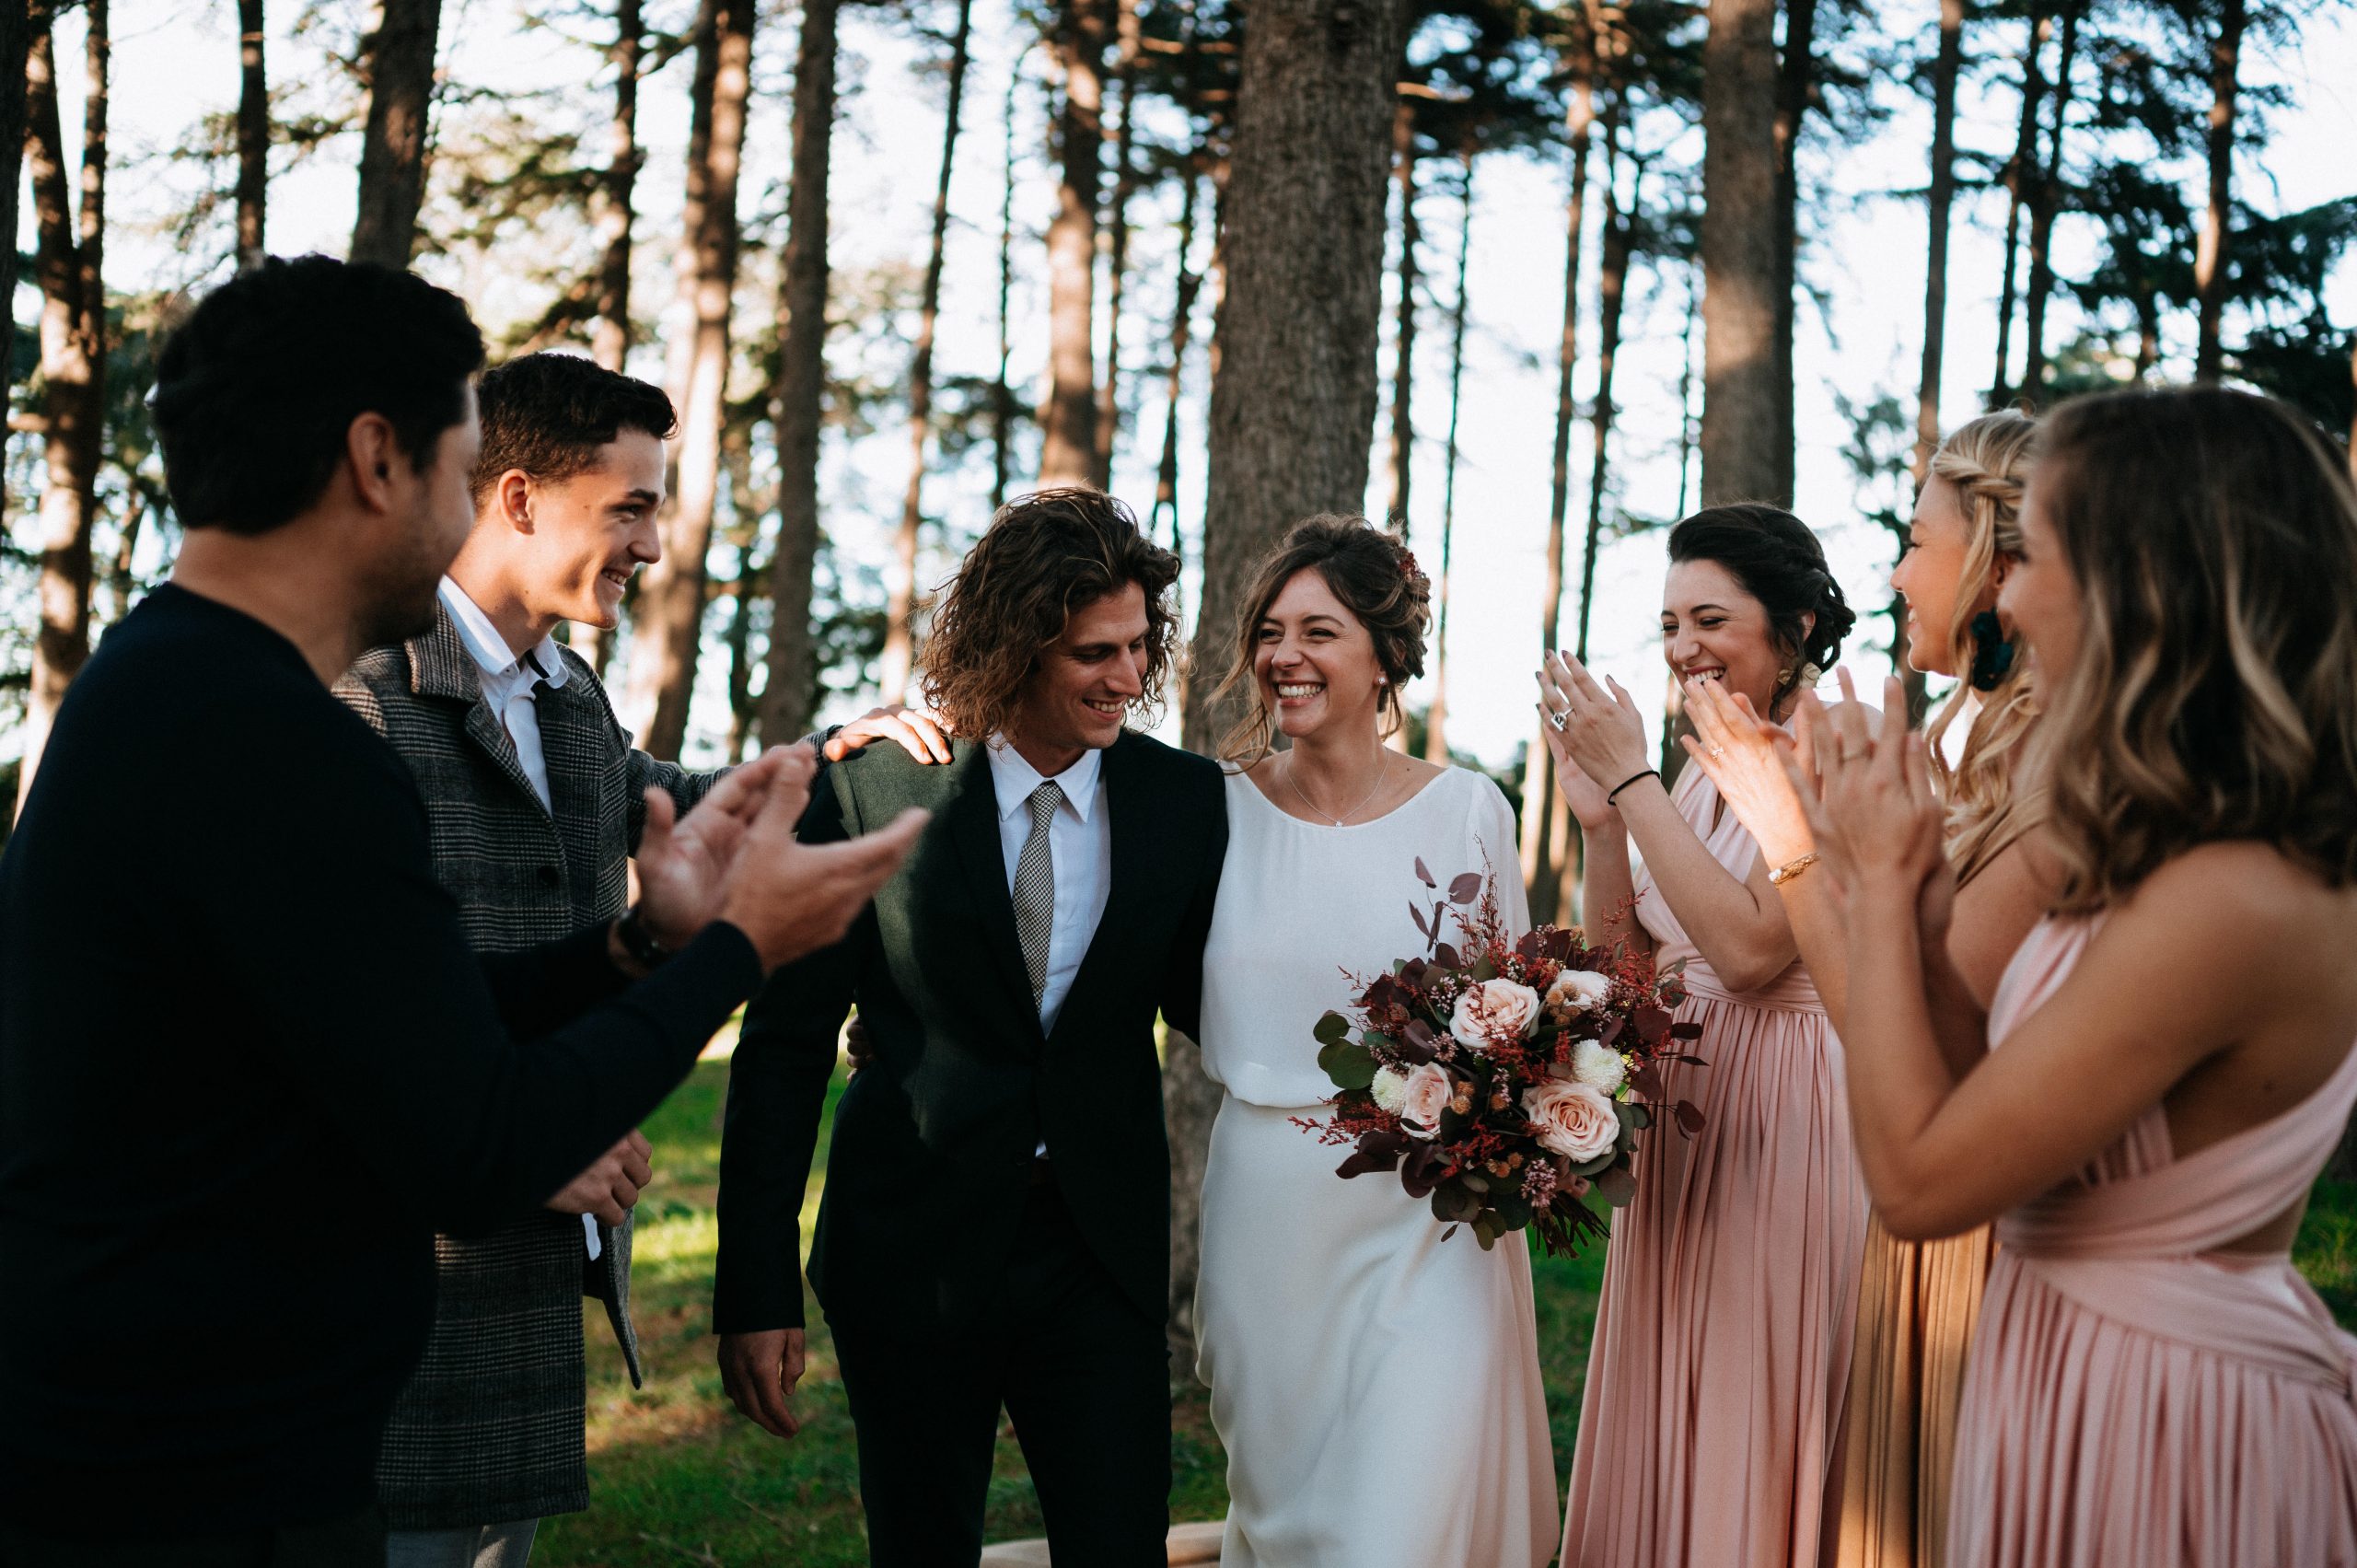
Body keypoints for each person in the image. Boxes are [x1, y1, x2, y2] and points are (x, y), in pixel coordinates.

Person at [0, 255, 923, 1567]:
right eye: (457, 460)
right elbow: (479, 1132)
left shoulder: (166, 683)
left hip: (185, 1450)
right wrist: (734, 951)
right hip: (196, 1486)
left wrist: (639, 941)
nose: (462, 511)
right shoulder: (283, 742)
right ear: (380, 458)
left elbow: (389, 1020)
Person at [335, 350, 935, 1568]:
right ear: (515, 497)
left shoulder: (563, 693)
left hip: (521, 1316)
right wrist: (505, 1141)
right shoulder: (360, 697)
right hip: (381, 1313)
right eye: (631, 506)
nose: (654, 545)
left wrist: (822, 755)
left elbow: (656, 799)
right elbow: (321, 1013)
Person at [1799, 386, 2357, 1568]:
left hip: (2169, 1413)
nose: (2003, 592)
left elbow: (1916, 1179)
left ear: (2139, 580)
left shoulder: (2233, 894)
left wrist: (1887, 884)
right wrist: (1899, 873)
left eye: (2032, 554)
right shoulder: (2161, 838)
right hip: (2067, 1355)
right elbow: (1968, 1067)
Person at [711, 489, 1226, 1568]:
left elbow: (1220, 1001)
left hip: (1097, 1249)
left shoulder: (1185, 801)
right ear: (1017, 643)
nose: (1129, 678)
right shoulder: (872, 785)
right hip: (909, 1243)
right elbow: (785, 1046)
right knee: (920, 1544)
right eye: (1096, 651)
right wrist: (753, 1287)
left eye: (1139, 646)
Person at [1679, 412, 2051, 1568]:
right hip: (1916, 1213)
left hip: (1985, 1207)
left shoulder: (2046, 756)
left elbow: (1904, 1015)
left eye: (1913, 538)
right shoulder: (1956, 728)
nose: (1890, 571)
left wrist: (1792, 833)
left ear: (1993, 557)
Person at [1190, 517, 1557, 1567]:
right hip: (1266, 1215)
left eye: (1317, 630)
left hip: (1426, 1214)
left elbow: (1515, 1016)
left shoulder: (1467, 811)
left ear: (1384, 655)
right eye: (1269, 631)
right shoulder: (1212, 812)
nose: (1282, 656)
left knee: (1399, 1519)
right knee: (1288, 1516)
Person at [1542, 505, 1868, 1568]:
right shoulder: (1697, 764)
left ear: (1797, 624)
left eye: (1711, 619)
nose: (1683, 647)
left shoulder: (1827, 746)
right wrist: (1602, 821)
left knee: (1752, 1390)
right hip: (1685, 1117)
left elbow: (1751, 953)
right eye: (1671, 622)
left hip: (1785, 1117)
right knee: (1670, 1384)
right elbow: (1627, 975)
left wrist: (1634, 778)